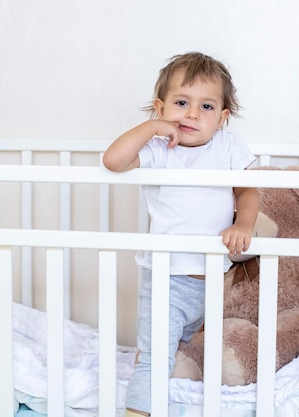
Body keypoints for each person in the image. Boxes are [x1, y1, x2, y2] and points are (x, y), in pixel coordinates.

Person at [102, 52, 259, 417]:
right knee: (156, 359)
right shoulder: (160, 150)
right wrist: (151, 129)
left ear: (222, 118)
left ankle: (154, 354)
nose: (192, 114)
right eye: (181, 103)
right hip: (166, 276)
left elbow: (249, 190)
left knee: (184, 347)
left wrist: (244, 225)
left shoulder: (228, 147)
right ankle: (138, 410)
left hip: (213, 278)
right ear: (161, 107)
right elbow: (113, 161)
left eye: (206, 106)